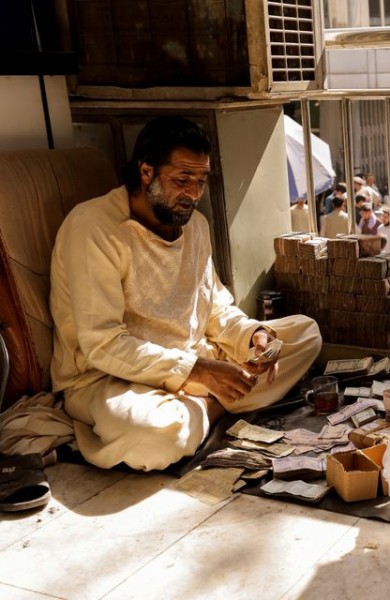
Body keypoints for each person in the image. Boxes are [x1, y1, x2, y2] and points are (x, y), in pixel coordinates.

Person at [49, 116, 322, 472]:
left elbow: (213, 308)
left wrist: (252, 336)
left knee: (304, 333)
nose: (193, 194)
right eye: (181, 180)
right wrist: (196, 371)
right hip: (110, 378)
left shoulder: (195, 226)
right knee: (156, 437)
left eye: (201, 180)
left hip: (192, 358)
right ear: (146, 172)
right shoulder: (92, 229)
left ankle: (205, 405)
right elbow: (102, 344)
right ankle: (215, 405)